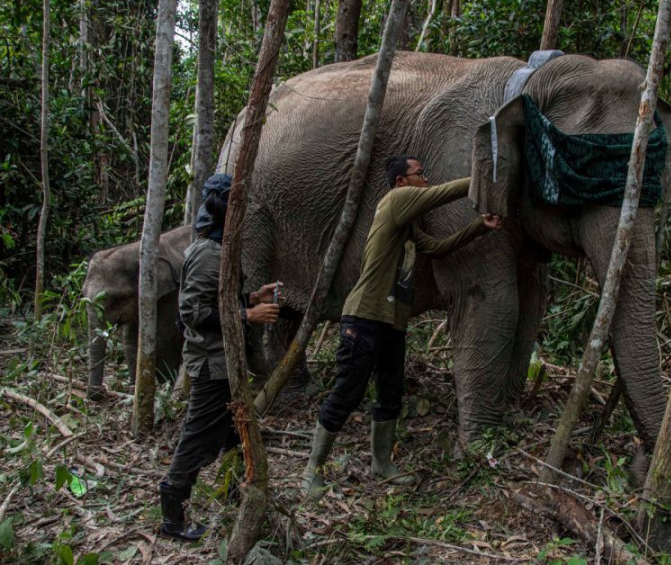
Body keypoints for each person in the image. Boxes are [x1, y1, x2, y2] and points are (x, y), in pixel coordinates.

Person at [301, 156, 502, 499]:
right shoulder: (394, 202)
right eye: (419, 174)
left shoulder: (406, 226)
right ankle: (312, 471)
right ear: (401, 182)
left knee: (390, 393)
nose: (425, 179)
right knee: (346, 393)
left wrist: (480, 226)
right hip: (364, 317)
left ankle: (381, 464)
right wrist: (480, 179)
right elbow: (439, 194)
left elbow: (438, 249)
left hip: (392, 322)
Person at [158, 173, 282, 541]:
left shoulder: (219, 251)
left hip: (225, 362)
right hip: (211, 364)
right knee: (198, 437)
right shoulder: (206, 254)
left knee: (232, 433)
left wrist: (252, 299)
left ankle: (232, 494)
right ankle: (172, 517)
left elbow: (218, 302)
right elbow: (193, 313)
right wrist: (247, 316)